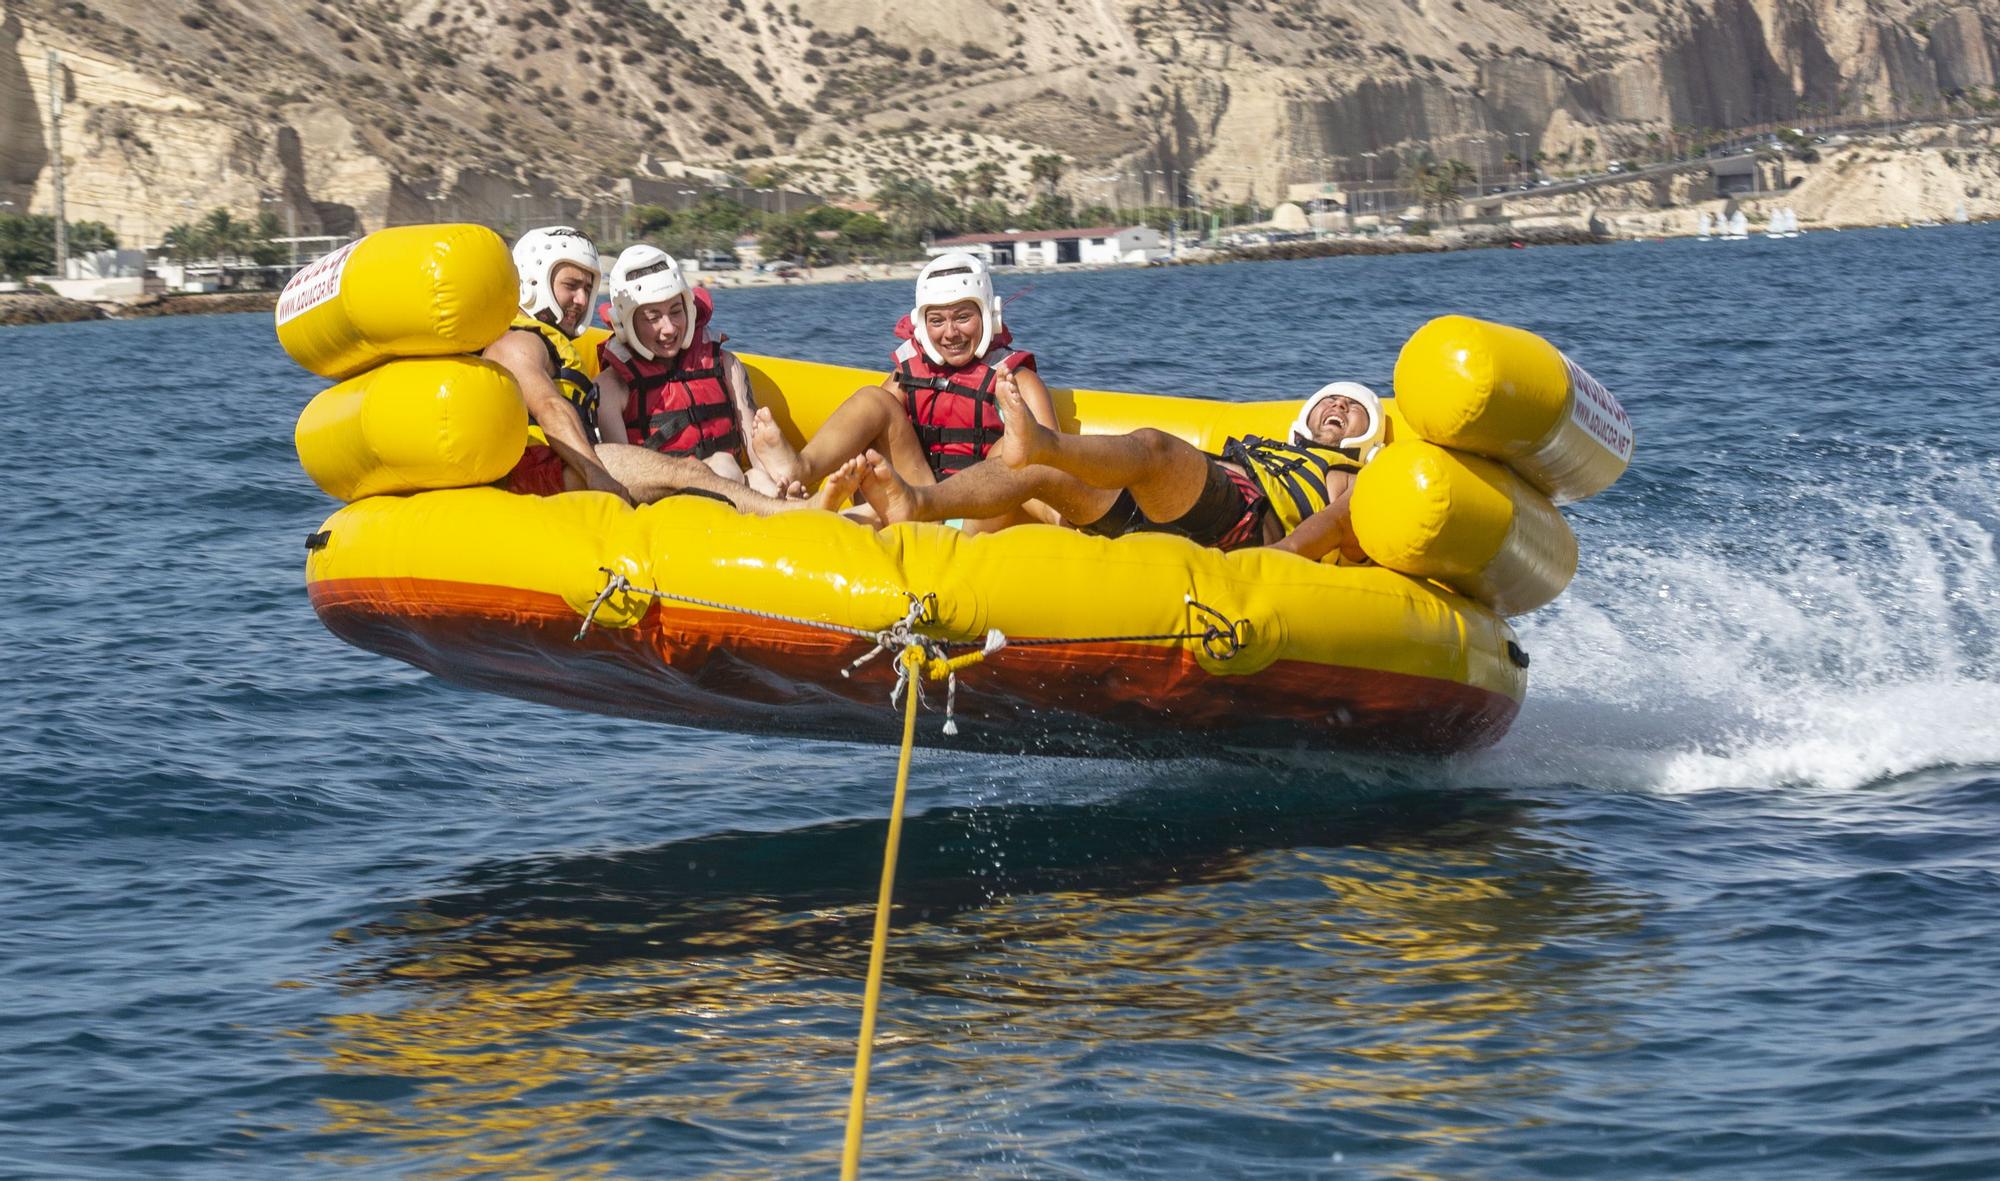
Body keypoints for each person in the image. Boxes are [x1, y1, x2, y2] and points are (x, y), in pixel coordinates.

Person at [856, 375, 1384, 563]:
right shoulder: (1264, 444)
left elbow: (1344, 520)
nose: (1337, 407)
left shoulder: (1350, 475)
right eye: (1329, 399)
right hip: (1173, 516)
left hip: (1243, 524)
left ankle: (1042, 442)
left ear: (1368, 432)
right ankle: (916, 504)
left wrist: (1281, 558)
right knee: (1032, 475)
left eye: (1353, 407)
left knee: (1153, 448)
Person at [784, 252, 1062, 528]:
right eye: (937, 321)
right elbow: (868, 429)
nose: (950, 333)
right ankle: (798, 472)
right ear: (921, 324)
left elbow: (1050, 469)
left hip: (981, 520)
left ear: (989, 314)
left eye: (963, 317)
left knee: (1013, 448)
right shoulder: (907, 376)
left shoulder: (1018, 381)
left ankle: (855, 517)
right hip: (918, 503)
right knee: (874, 399)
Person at [592, 244, 805, 499]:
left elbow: (755, 452)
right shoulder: (611, 388)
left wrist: (773, 480)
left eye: (675, 311)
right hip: (666, 503)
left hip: (735, 486)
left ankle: (790, 508)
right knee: (724, 466)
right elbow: (626, 478)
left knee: (757, 477)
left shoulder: (726, 365)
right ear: (626, 323)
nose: (669, 328)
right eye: (652, 317)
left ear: (689, 308)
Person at [488, 226, 630, 499]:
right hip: (540, 474)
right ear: (532, 282)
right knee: (680, 473)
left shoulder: (547, 343)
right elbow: (549, 408)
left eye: (588, 289)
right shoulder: (517, 342)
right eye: (571, 286)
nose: (582, 300)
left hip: (563, 466)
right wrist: (597, 475)